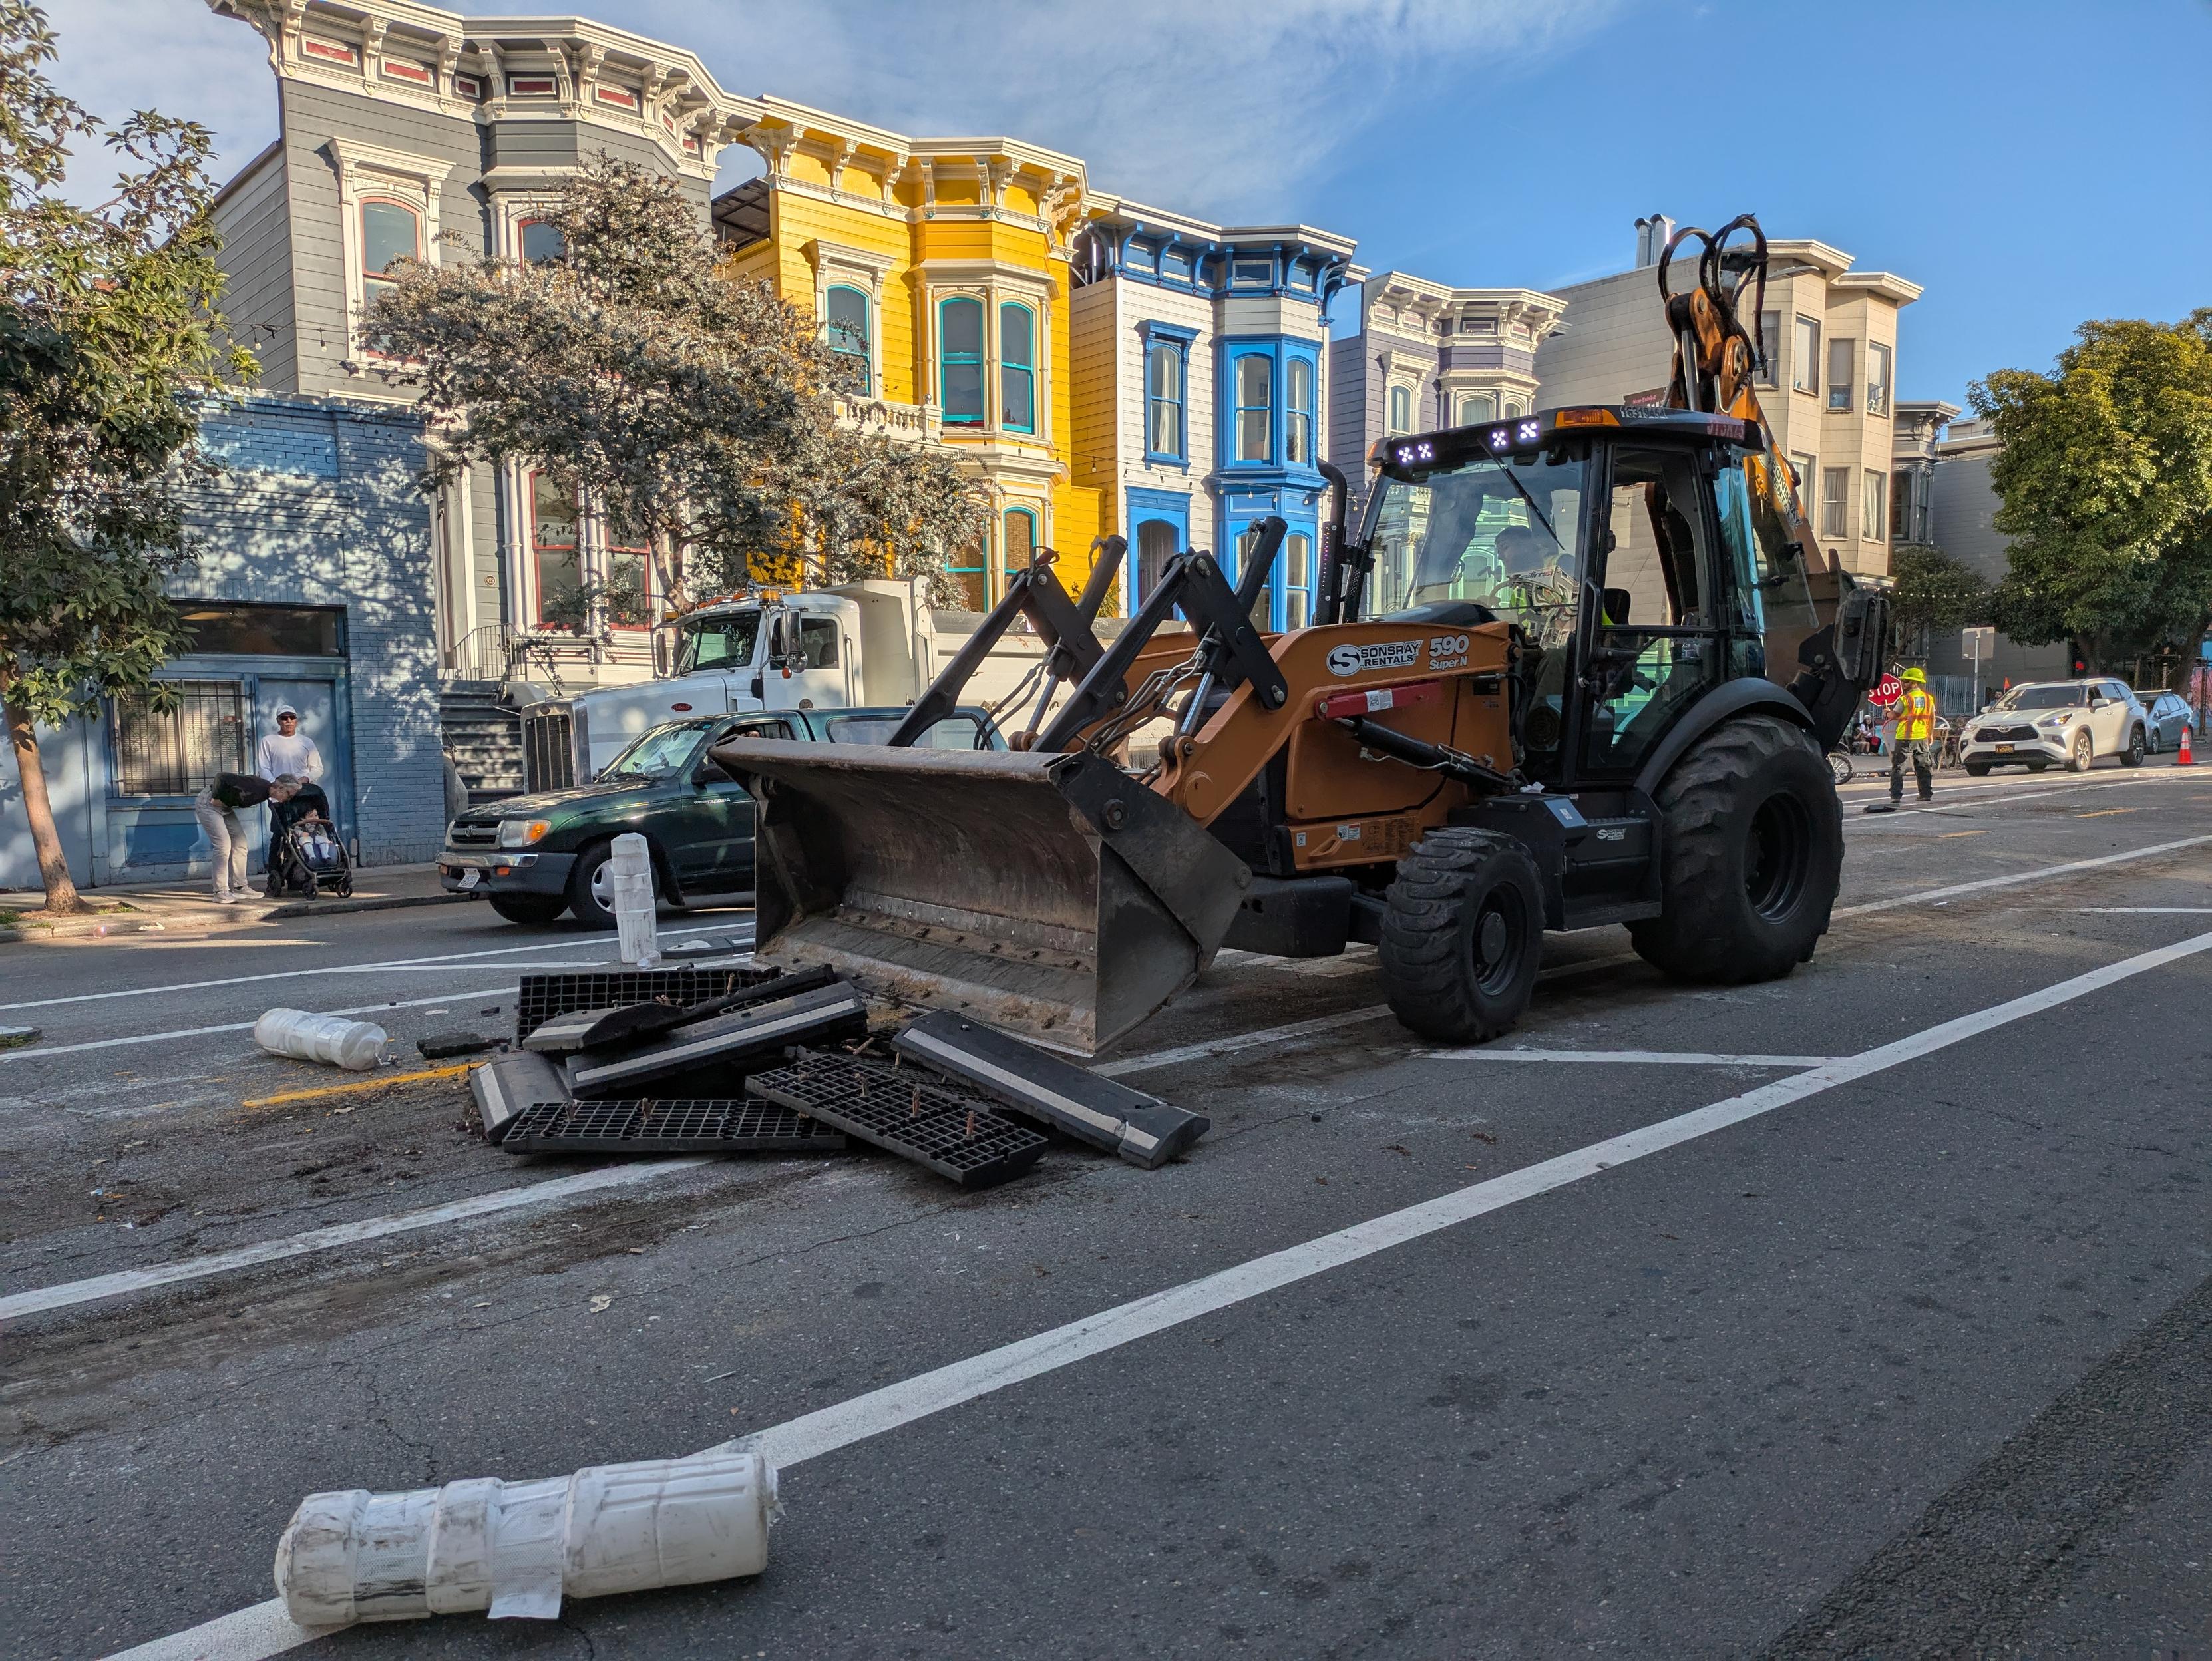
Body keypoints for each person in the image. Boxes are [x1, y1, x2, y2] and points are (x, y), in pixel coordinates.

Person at [193, 770, 299, 903]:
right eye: (289, 795)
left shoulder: (265, 792)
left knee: (240, 843)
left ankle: (240, 887)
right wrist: (216, 796)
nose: (288, 799)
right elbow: (222, 776)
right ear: (281, 788)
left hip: (225, 808)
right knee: (223, 845)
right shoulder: (257, 786)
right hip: (208, 804)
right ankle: (220, 892)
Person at [1867, 667, 1936, 813]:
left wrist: (1887, 713)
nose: (1903, 684)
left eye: (1906, 681)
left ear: (1914, 683)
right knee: (1923, 766)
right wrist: (1930, 734)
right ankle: (1925, 794)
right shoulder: (1928, 699)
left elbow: (1894, 716)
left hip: (1905, 737)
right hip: (1922, 736)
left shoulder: (1905, 699)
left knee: (1898, 767)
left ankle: (1896, 796)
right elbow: (1932, 718)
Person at [254, 705, 323, 784]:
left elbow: (317, 768)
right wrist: (276, 784)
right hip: (278, 791)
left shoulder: (307, 742)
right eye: (284, 718)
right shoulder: (267, 741)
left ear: (296, 721)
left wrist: (304, 780)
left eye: (292, 717)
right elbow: (264, 768)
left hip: (303, 790)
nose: (289, 721)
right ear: (278, 721)